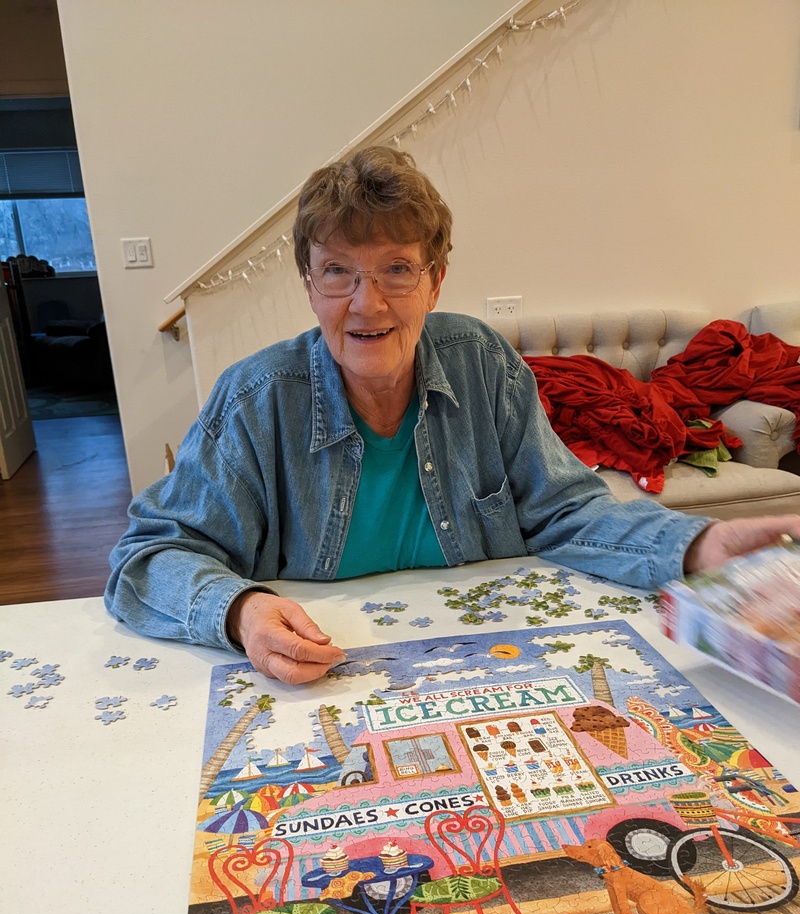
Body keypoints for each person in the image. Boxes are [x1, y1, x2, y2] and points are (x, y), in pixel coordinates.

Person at [105, 147, 800, 685]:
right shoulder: (255, 399)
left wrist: (699, 546)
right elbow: (148, 557)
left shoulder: (484, 363)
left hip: (488, 665)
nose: (366, 303)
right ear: (309, 285)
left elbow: (568, 512)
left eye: (396, 270)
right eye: (338, 271)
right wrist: (241, 612)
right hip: (313, 685)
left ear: (436, 279)